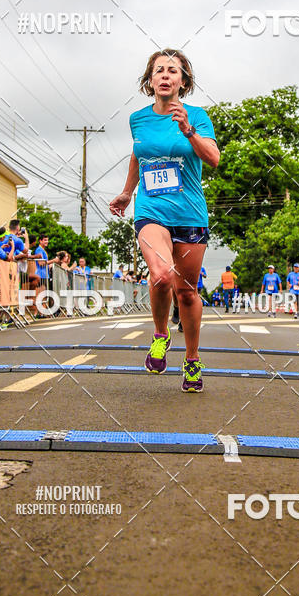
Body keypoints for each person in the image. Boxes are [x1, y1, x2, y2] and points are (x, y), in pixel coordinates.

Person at [109, 48, 220, 392]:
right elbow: (138, 154)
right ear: (150, 80)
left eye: (172, 70)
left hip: (189, 212)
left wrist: (188, 131)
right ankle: (160, 334)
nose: (165, 76)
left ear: (183, 81)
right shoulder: (138, 119)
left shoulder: (198, 115)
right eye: (159, 70)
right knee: (159, 276)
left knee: (186, 292)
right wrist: (128, 192)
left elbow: (213, 158)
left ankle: (191, 360)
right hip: (151, 210)